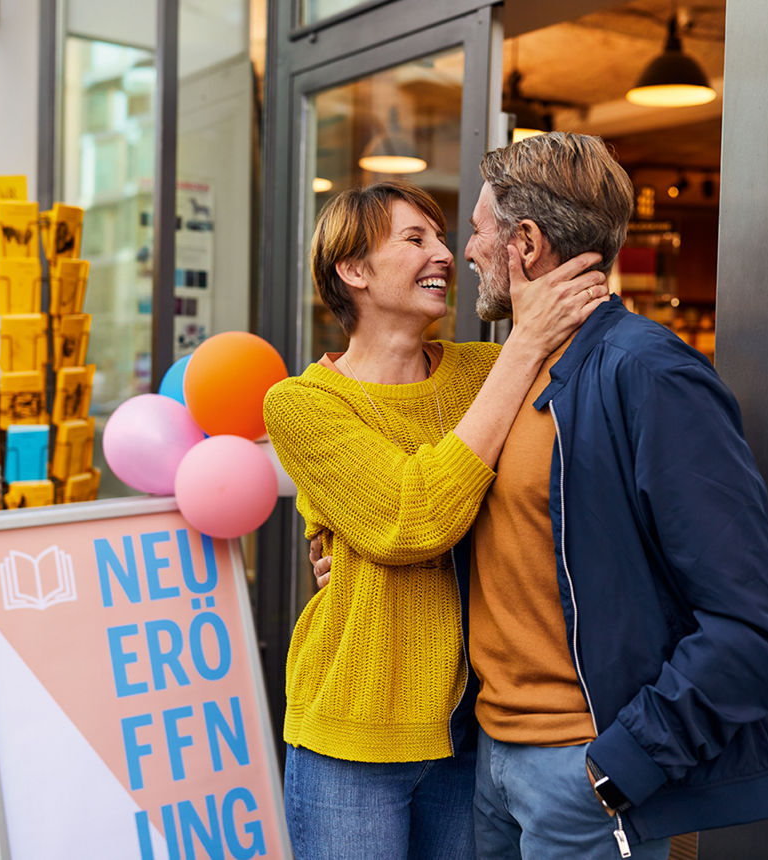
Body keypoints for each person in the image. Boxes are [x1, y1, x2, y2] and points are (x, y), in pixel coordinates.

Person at [314, 133, 768, 860]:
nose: (465, 252)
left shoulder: (648, 373)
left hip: (584, 769)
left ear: (527, 243)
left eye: (477, 230)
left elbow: (755, 622)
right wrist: (336, 547)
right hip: (488, 760)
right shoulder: (500, 379)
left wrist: (621, 767)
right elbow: (429, 494)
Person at [262, 180, 611, 860]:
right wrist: (524, 346)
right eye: (414, 239)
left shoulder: (485, 371)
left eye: (443, 237)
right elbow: (409, 521)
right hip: (353, 735)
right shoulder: (301, 404)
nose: (445, 255)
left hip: (474, 730)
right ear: (354, 270)